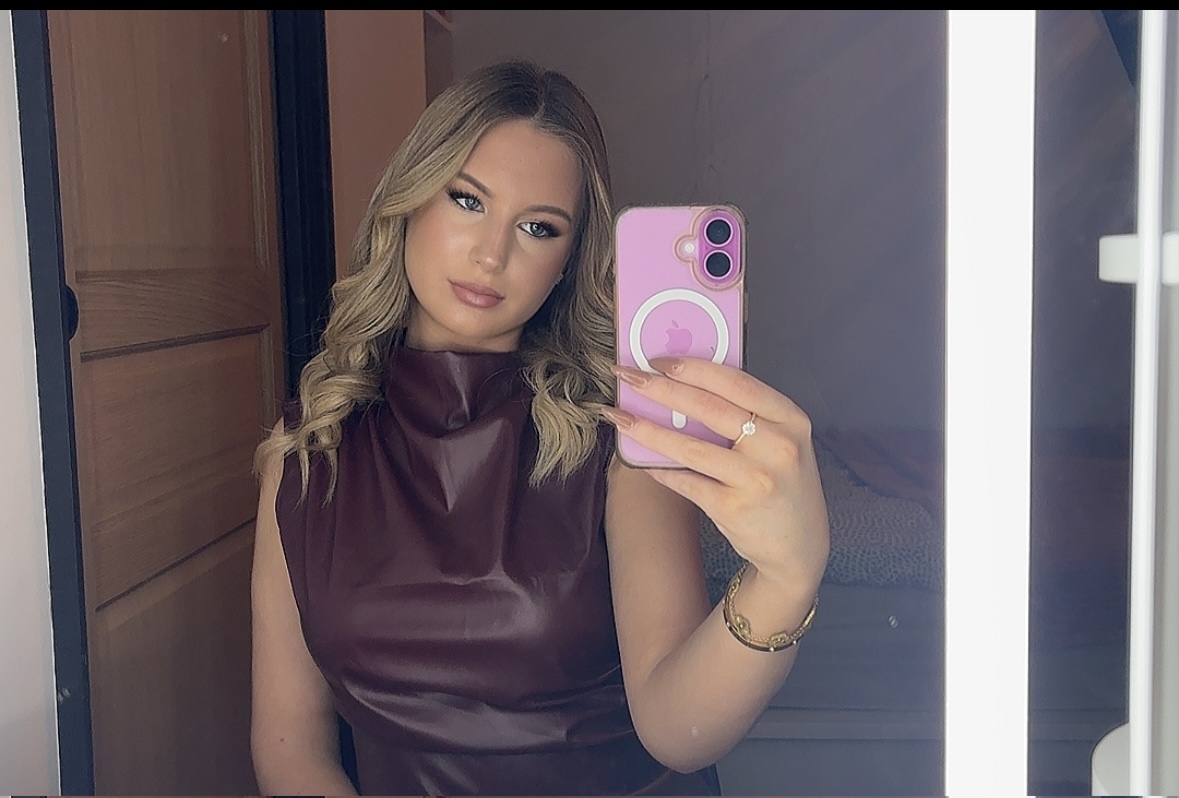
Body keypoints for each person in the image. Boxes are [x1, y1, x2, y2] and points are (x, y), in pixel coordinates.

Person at [250, 59, 830, 796]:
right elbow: (291, 749)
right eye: (467, 199)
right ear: (409, 201)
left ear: (567, 262)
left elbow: (678, 732)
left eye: (537, 227)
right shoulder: (310, 453)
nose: (492, 255)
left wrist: (784, 578)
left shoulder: (618, 435)